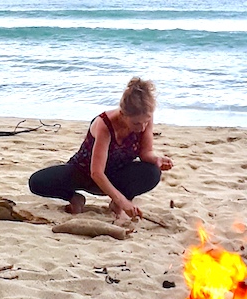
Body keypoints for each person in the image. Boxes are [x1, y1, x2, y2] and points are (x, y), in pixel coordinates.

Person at [28, 77, 173, 219]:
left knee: (152, 172)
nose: (142, 128)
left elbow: (145, 152)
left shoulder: (144, 117)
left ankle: (117, 202)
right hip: (85, 173)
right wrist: (123, 202)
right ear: (123, 114)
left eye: (145, 122)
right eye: (136, 124)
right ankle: (75, 198)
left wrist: (157, 159)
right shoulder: (104, 124)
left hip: (117, 174)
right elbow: (96, 173)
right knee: (37, 182)